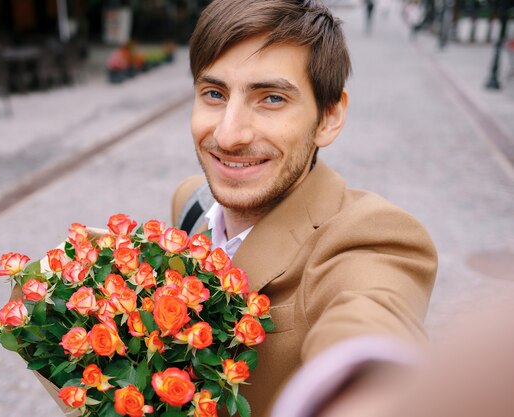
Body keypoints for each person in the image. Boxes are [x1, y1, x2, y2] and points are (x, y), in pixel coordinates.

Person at [171, 1, 437, 416]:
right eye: (214, 93)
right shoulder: (190, 202)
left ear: (329, 117)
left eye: (272, 98)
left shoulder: (371, 237)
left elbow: (371, 319)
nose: (228, 135)